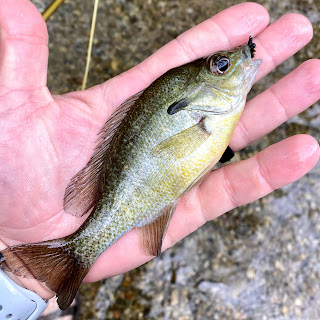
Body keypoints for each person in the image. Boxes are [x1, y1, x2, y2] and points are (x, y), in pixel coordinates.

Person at [0, 0, 319, 305]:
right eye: (221, 66)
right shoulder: (209, 115)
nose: (232, 63)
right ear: (195, 92)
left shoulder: (210, 113)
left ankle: (41, 287)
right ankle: (60, 270)